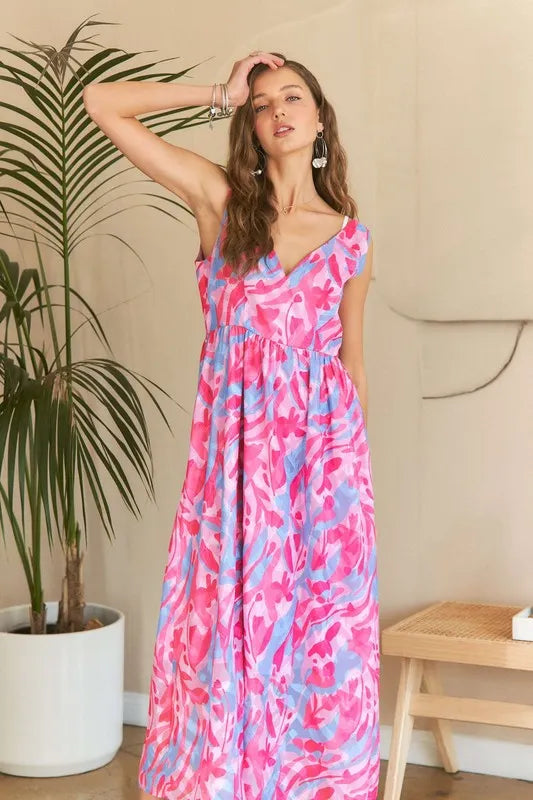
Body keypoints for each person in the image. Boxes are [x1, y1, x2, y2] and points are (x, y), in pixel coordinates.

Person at [83, 49, 379, 800]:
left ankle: (309, 780)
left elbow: (352, 368)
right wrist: (219, 89)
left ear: (320, 119)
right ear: (250, 122)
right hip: (234, 467)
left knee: (315, 628)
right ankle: (224, 778)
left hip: (323, 474)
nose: (278, 111)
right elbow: (102, 103)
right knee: (226, 619)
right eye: (262, 102)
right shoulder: (220, 202)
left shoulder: (352, 241)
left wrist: (352, 501)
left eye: (293, 97)